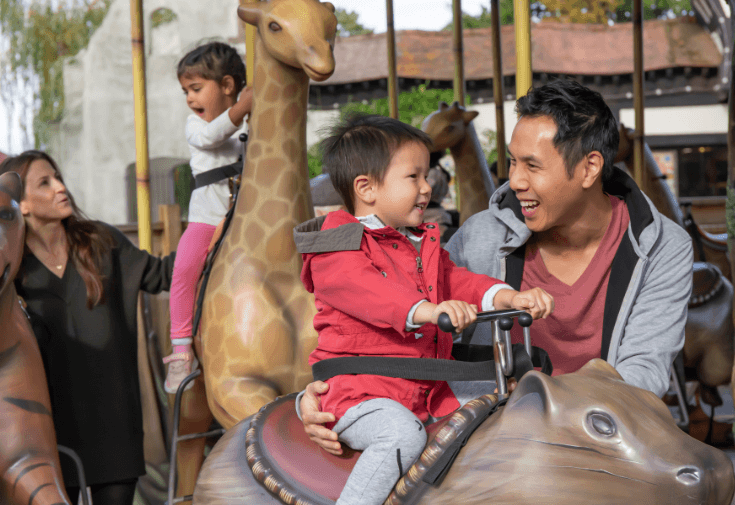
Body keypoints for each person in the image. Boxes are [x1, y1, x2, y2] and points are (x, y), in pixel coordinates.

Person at [299, 79, 693, 455]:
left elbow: (643, 372)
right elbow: (369, 314)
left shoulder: (662, 248)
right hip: (495, 436)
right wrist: (324, 394)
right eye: (511, 162)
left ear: (589, 168)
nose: (514, 180)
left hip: (599, 433)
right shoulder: (481, 235)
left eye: (532, 166)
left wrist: (546, 412)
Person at [292, 114, 552, 505]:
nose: (427, 188)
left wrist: (509, 297)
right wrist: (426, 310)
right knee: (401, 435)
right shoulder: (337, 245)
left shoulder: (419, 244)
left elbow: (460, 281)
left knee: (505, 409)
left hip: (424, 388)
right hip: (360, 393)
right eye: (413, 177)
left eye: (426, 176)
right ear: (366, 188)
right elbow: (367, 292)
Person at [0, 151, 176, 505]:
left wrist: (212, 237)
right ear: (23, 205)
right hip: (50, 435)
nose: (61, 187)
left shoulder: (100, 240)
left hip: (115, 426)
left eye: (58, 177)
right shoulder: (9, 270)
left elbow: (163, 275)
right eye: (44, 183)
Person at [164, 41, 252, 393]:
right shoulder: (194, 125)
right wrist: (243, 107)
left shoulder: (251, 123)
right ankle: (182, 349)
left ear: (227, 85)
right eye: (186, 90)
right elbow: (213, 136)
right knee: (184, 269)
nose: (189, 98)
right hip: (207, 220)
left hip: (244, 219)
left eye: (196, 89)